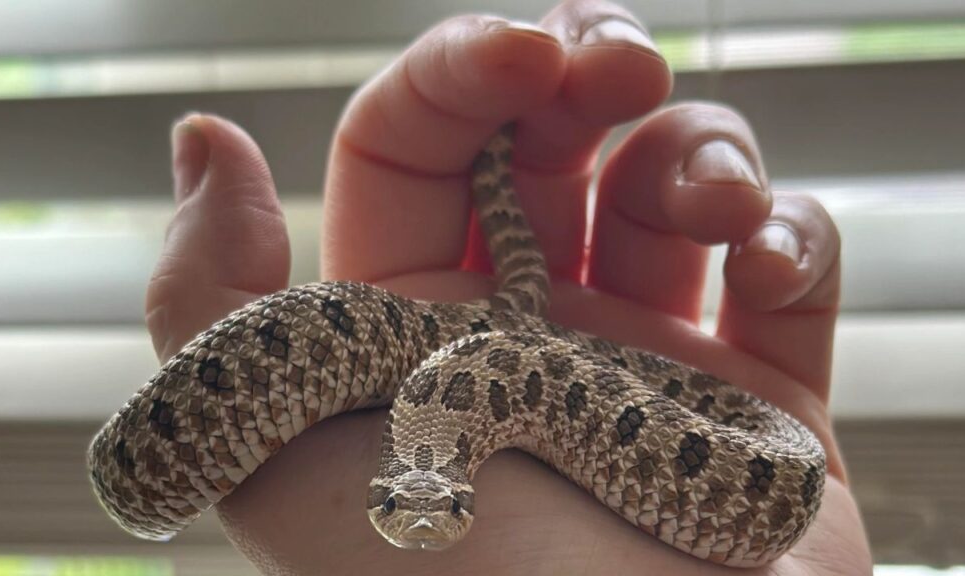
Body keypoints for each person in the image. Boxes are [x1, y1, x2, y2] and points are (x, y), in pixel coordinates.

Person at [146, 1, 873, 573]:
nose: (424, 517)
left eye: (453, 504)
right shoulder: (434, 421)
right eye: (404, 502)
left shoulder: (474, 396)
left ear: (466, 482)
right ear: (384, 485)